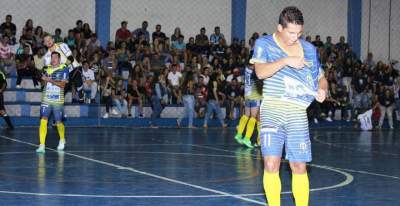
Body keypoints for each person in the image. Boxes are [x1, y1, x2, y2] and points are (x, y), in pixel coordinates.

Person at [250, 7, 328, 206]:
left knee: (299, 166)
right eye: (291, 32)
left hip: (297, 113)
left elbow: (321, 77)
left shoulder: (309, 49)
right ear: (279, 28)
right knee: (271, 164)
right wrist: (286, 61)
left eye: (299, 32)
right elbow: (260, 73)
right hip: (272, 110)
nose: (296, 37)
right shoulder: (264, 43)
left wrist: (322, 89)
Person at [36, 52, 69, 153]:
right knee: (43, 120)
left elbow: (63, 85)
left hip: (58, 101)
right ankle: (42, 145)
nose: (53, 59)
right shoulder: (47, 69)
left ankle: (62, 139)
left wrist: (49, 80)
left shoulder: (64, 69)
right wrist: (42, 80)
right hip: (46, 99)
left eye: (56, 57)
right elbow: (44, 83)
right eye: (52, 57)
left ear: (59, 59)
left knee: (58, 122)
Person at [234, 63, 262, 148]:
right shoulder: (257, 71)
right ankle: (247, 138)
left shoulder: (246, 69)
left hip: (247, 95)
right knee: (254, 117)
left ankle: (240, 134)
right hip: (255, 96)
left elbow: (236, 70)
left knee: (250, 116)